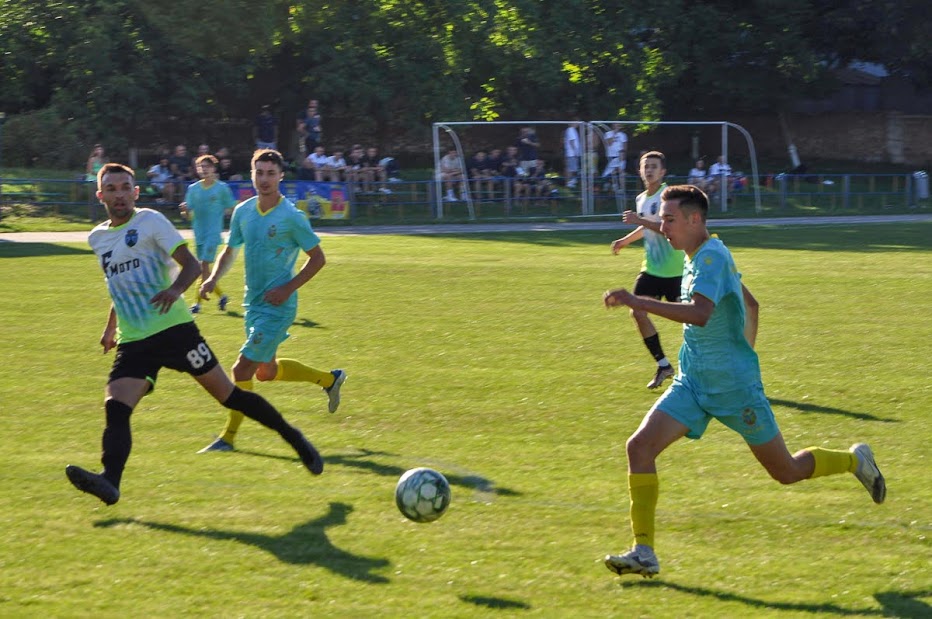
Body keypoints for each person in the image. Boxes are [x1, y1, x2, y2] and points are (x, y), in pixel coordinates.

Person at [601, 184, 885, 578]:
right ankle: (644, 552)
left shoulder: (712, 258)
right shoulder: (696, 254)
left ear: (694, 219)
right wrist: (740, 349)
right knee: (640, 447)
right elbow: (750, 303)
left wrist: (638, 302)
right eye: (661, 219)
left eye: (668, 219)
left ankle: (856, 460)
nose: (661, 227)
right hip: (694, 384)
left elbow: (700, 314)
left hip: (735, 390)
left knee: (786, 471)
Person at [65, 163, 325, 506]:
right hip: (134, 340)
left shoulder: (151, 222)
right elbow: (118, 284)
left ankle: (294, 438)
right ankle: (110, 481)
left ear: (136, 191)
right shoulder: (97, 238)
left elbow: (189, 265)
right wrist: (111, 325)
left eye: (125, 187)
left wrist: (174, 291)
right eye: (111, 189)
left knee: (229, 395)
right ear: (100, 195)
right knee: (116, 407)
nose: (120, 194)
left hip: (175, 331)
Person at [197, 149, 346, 453]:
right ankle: (329, 380)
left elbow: (318, 259)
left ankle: (228, 438)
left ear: (280, 176)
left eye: (270, 173)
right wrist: (213, 278)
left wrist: (287, 289)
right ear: (252, 174)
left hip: (278, 307)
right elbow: (230, 250)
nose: (264, 179)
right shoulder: (243, 211)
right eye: (259, 173)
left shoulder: (292, 217)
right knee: (266, 371)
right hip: (253, 303)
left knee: (241, 371)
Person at [610, 151, 684, 390]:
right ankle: (664, 365)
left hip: (675, 272)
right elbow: (647, 229)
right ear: (640, 171)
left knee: (691, 322)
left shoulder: (667, 197)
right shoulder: (642, 198)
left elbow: (669, 230)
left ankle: (704, 367)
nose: (649, 170)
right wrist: (625, 240)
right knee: (637, 312)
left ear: (663, 172)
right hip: (651, 270)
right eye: (645, 166)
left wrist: (638, 221)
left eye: (654, 166)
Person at [178, 154, 237, 313]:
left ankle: (197, 304)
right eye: (200, 167)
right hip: (199, 234)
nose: (203, 170)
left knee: (203, 265)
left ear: (213, 168)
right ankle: (221, 296)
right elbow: (188, 216)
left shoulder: (221, 188)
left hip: (213, 234)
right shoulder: (193, 189)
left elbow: (232, 208)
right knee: (203, 269)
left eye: (206, 166)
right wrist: (184, 211)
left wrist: (237, 227)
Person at [602, 123, 628, 187]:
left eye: (618, 125)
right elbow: (609, 143)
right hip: (611, 156)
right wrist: (614, 133)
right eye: (616, 125)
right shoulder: (608, 134)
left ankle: (622, 187)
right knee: (611, 171)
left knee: (621, 171)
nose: (617, 126)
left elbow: (625, 146)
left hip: (620, 155)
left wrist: (623, 155)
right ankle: (610, 185)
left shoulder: (623, 135)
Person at [563, 121, 581, 188]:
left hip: (572, 153)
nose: (577, 124)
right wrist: (575, 152)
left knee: (573, 168)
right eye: (576, 122)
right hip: (572, 153)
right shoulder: (571, 130)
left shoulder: (573, 130)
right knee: (571, 168)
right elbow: (572, 141)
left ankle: (572, 181)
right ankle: (569, 183)